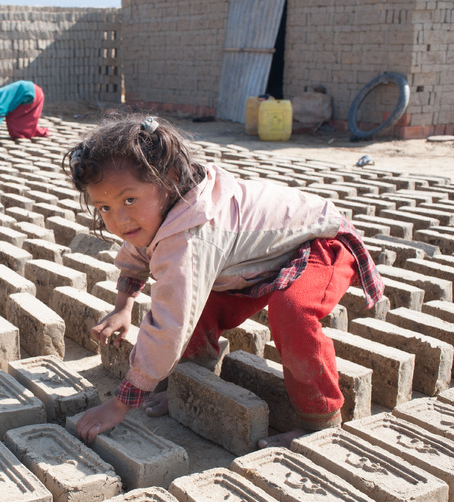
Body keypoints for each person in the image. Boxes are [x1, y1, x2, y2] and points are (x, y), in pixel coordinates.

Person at [68, 114, 384, 448]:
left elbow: (169, 325)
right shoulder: (159, 210)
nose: (119, 219)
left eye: (129, 200)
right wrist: (122, 307)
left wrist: (122, 402)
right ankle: (192, 385)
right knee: (199, 305)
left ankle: (320, 421)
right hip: (255, 260)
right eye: (104, 208)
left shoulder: (192, 237)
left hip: (320, 241)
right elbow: (136, 255)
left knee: (290, 311)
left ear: (170, 178)